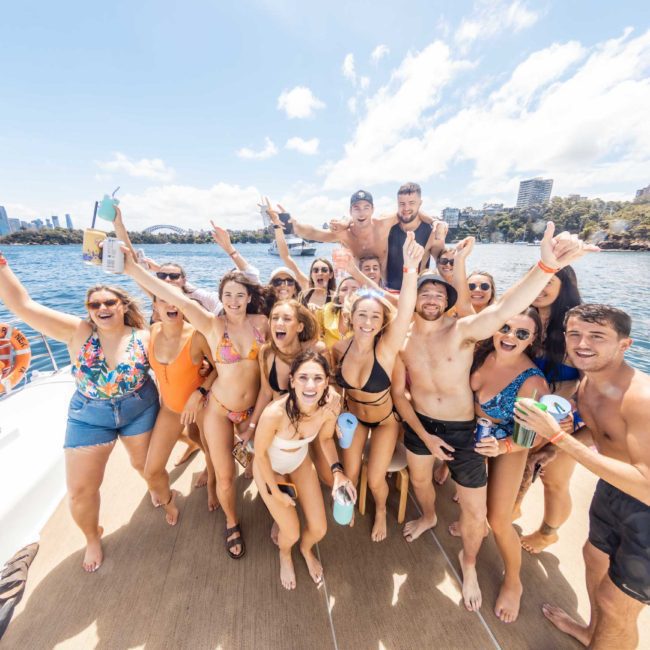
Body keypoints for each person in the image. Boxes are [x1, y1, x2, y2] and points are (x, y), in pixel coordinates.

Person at [390, 224, 597, 612]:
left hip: (463, 431)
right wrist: (408, 271)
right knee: (420, 480)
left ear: (450, 302)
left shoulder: (463, 330)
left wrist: (544, 267)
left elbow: (504, 309)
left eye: (440, 293)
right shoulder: (401, 337)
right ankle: (430, 516)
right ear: (414, 298)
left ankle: (468, 563)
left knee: (474, 512)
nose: (432, 298)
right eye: (425, 292)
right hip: (420, 425)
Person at [0, 252, 159, 572]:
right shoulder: (78, 332)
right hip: (89, 416)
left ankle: (156, 489)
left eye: (109, 303)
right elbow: (23, 305)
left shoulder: (144, 337)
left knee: (145, 466)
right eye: (94, 305)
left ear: (123, 306)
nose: (102, 308)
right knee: (81, 492)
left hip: (138, 407)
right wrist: (2, 266)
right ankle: (92, 537)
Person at [514, 304, 649, 649]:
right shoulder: (589, 382)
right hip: (613, 491)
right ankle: (592, 631)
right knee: (593, 557)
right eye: (575, 334)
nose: (582, 343)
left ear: (624, 345)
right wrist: (555, 448)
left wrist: (558, 438)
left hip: (644, 506)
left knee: (616, 607)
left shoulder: (641, 399)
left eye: (597, 336)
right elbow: (600, 433)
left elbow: (646, 484)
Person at [123, 257, 268, 560]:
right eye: (227, 295)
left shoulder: (262, 325)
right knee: (226, 475)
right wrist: (131, 269)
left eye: (240, 295)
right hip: (218, 409)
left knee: (261, 465)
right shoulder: (212, 325)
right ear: (220, 297)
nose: (233, 301)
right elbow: (174, 296)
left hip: (253, 410)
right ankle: (231, 522)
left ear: (250, 297)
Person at [332, 232, 424, 541]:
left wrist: (411, 269)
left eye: (374, 316)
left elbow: (407, 308)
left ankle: (381, 510)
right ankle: (347, 507)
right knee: (350, 474)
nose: (368, 321)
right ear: (351, 317)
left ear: (381, 320)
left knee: (374, 481)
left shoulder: (385, 350)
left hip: (385, 423)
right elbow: (332, 385)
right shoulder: (338, 349)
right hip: (355, 420)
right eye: (362, 315)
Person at [466, 308, 549, 623]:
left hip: (509, 444)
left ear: (533, 339)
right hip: (474, 436)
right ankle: (472, 527)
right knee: (473, 507)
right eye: (505, 327)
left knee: (499, 520)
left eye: (521, 333)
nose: (510, 336)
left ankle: (514, 580)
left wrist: (500, 446)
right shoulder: (481, 353)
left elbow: (530, 437)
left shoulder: (533, 382)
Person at [253, 351, 356, 590]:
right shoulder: (274, 414)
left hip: (299, 462)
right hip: (268, 467)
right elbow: (259, 455)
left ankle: (306, 550)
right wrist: (276, 493)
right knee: (289, 533)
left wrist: (338, 472)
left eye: (318, 378)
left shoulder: (329, 407)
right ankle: (285, 554)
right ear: (292, 380)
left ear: (327, 381)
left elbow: (327, 439)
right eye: (303, 378)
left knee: (319, 529)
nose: (311, 385)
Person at [517, 265, 583, 554]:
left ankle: (547, 533)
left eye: (549, 281)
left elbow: (589, 378)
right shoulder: (521, 318)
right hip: (527, 410)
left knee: (554, 479)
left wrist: (574, 415)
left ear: (563, 287)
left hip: (563, 415)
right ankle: (514, 507)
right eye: (537, 279)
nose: (541, 287)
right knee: (523, 465)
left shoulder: (574, 328)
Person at [143, 296, 218, 524]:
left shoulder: (197, 335)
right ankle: (169, 504)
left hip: (201, 406)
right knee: (152, 471)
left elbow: (218, 368)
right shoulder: (153, 331)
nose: (171, 304)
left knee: (209, 448)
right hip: (171, 409)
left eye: (176, 299)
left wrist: (200, 393)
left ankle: (212, 485)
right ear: (155, 306)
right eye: (164, 300)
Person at [264, 200, 335, 309]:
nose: (319, 273)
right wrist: (278, 227)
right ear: (311, 275)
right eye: (315, 270)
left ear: (331, 275)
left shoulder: (336, 298)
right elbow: (285, 256)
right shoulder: (306, 288)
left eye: (324, 270)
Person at [384, 183, 446, 291]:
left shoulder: (432, 231)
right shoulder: (388, 228)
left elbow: (443, 265)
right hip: (389, 292)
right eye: (402, 203)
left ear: (420, 204)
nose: (406, 208)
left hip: (416, 292)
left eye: (411, 203)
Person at [315, 276, 360, 349]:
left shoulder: (367, 315)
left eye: (355, 289)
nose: (349, 292)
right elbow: (316, 335)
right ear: (338, 296)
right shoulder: (326, 309)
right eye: (344, 289)